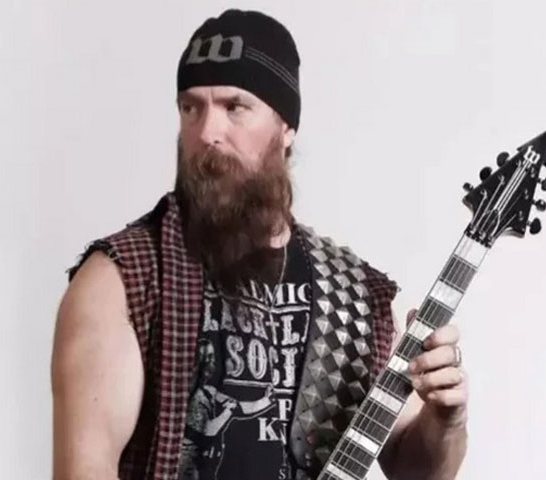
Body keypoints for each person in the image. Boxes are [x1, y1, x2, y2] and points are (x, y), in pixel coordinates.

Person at [51, 9, 468, 480]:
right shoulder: (124, 281)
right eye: (191, 107)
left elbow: (418, 472)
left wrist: (445, 418)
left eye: (234, 107)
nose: (207, 132)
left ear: (285, 126)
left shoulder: (355, 297)